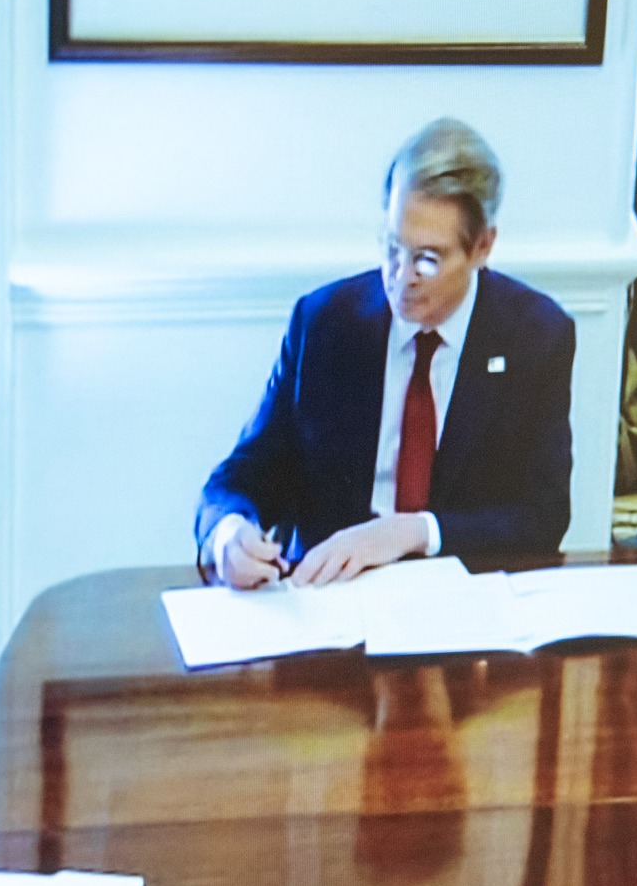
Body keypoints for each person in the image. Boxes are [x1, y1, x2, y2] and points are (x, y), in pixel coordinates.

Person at [196, 118, 576, 588]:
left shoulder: (535, 337)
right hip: (329, 596)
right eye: (392, 248)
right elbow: (240, 479)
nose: (401, 276)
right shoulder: (324, 324)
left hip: (459, 599)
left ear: (482, 247)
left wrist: (414, 532)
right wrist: (228, 533)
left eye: (427, 260)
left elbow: (542, 517)